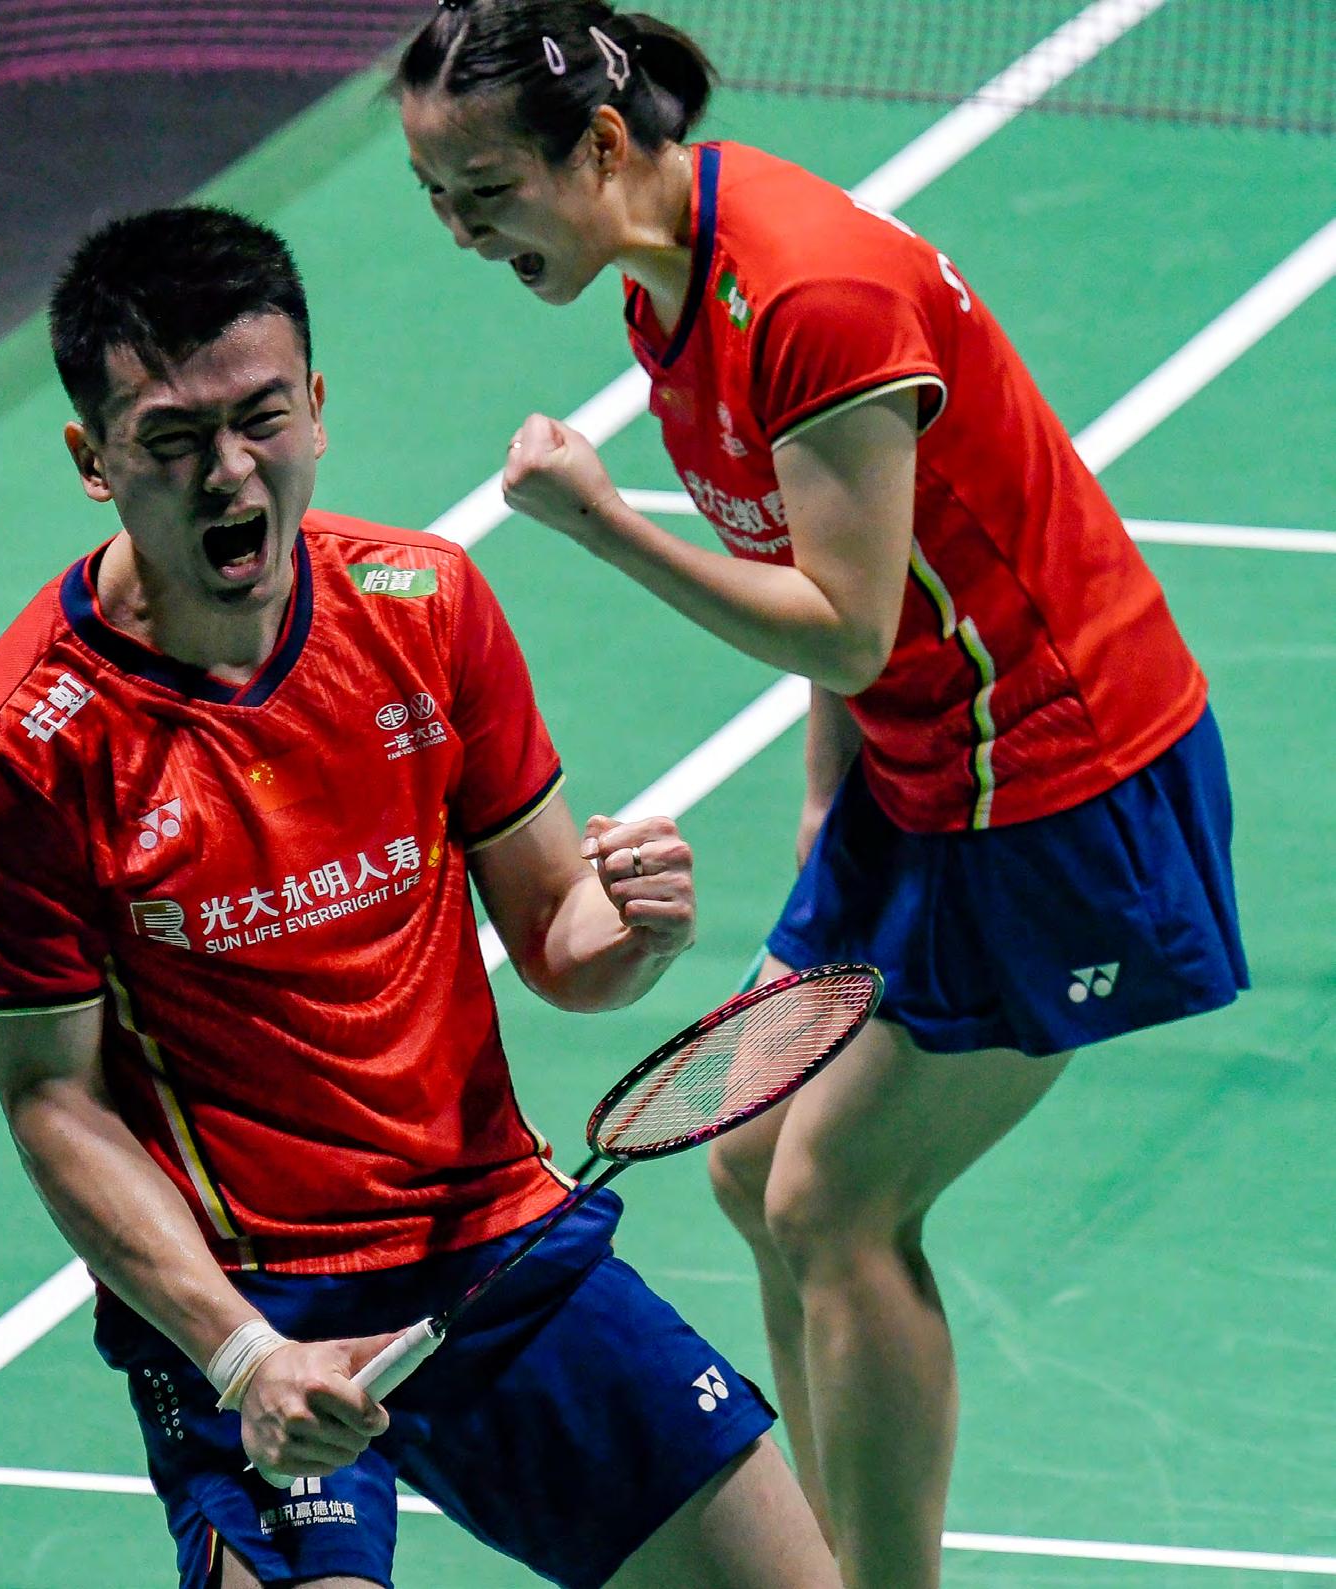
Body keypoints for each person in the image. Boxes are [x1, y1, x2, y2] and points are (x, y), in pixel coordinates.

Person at [394, 5, 1250, 1586]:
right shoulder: (664, 288)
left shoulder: (807, 293)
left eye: (486, 191)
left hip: (1051, 779)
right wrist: (822, 818)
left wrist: (602, 522)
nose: (459, 231)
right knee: (748, 1166)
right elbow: (830, 577)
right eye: (434, 199)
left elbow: (845, 621)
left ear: (599, 145)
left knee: (837, 1201)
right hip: (909, 774)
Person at [0, 205, 841, 1589]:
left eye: (261, 418)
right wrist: (239, 1354)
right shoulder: (16, 755)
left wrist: (635, 931)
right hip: (254, 1297)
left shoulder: (423, 604)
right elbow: (57, 1100)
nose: (230, 473)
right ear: (91, 460)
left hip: (493, 1243)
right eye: (172, 439)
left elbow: (560, 940)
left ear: (318, 407)